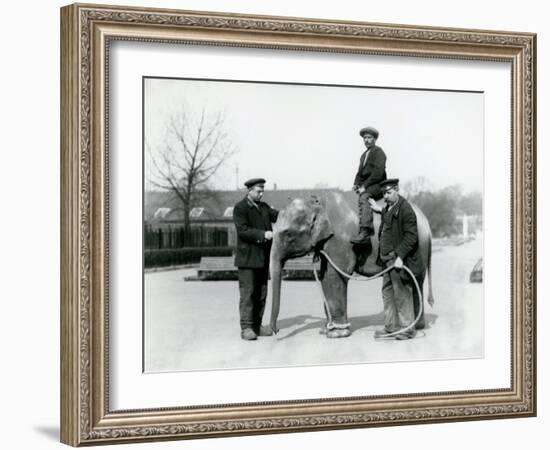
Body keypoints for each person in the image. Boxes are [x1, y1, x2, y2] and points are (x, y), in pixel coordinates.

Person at [368, 178, 424, 340]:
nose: (385, 196)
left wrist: (400, 256)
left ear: (397, 190)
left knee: (401, 293)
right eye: (383, 193)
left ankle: (407, 329)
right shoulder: (391, 207)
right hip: (387, 260)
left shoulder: (406, 210)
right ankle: (391, 327)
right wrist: (379, 210)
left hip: (397, 260)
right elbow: (389, 216)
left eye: (388, 192)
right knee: (387, 293)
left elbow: (411, 237)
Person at [233, 178, 279, 341]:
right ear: (249, 191)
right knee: (248, 294)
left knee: (261, 293)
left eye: (262, 191)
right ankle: (246, 328)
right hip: (248, 259)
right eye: (258, 191)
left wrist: (294, 209)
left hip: (263, 259)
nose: (261, 194)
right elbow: (243, 231)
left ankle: (257, 326)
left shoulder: (265, 207)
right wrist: (262, 234)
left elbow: (280, 217)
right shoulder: (240, 208)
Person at [351, 126, 387, 246]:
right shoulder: (363, 155)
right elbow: (359, 173)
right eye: (364, 138)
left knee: (364, 197)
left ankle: (366, 232)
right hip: (367, 185)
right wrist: (356, 184)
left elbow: (378, 172)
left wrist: (364, 187)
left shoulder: (379, 152)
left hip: (378, 185)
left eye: (369, 137)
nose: (366, 140)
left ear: (375, 139)